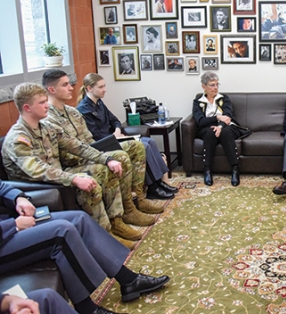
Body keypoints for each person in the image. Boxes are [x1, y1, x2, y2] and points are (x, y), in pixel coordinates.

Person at [1, 83, 142, 249]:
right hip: (38, 187)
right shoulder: (17, 139)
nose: (47, 105)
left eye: (46, 101)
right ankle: (103, 237)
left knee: (105, 169)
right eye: (41, 103)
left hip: (59, 176)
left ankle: (116, 221)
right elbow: (39, 170)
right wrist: (74, 178)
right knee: (89, 183)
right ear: (27, 107)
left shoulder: (47, 127)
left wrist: (107, 159)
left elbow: (78, 147)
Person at [0, 179, 170, 314]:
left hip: (8, 223)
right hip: (5, 235)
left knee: (79, 219)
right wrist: (14, 226)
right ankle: (87, 309)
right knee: (62, 231)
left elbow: (2, 186)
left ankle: (129, 280)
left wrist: (18, 198)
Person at [43, 70, 162, 231]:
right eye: (65, 85)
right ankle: (121, 215)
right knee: (121, 156)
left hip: (91, 151)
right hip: (74, 161)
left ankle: (135, 201)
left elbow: (89, 140)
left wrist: (104, 150)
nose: (71, 88)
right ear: (51, 90)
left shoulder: (72, 112)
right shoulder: (48, 118)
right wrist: (104, 156)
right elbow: (69, 150)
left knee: (137, 146)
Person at [76, 73, 177, 201]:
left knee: (150, 141)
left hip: (114, 138)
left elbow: (115, 120)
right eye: (101, 87)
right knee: (143, 146)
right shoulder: (83, 110)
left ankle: (159, 182)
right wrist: (114, 137)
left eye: (104, 86)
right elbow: (95, 135)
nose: (105, 89)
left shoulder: (99, 103)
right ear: (89, 88)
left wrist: (117, 131)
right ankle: (153, 187)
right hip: (104, 145)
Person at [193, 72, 251, 186]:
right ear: (204, 87)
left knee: (225, 132)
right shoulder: (198, 102)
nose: (215, 88)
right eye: (212, 85)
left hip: (227, 127)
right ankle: (207, 170)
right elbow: (200, 121)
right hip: (207, 129)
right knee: (210, 132)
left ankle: (235, 169)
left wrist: (220, 126)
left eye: (217, 84)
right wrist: (217, 117)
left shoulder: (224, 99)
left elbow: (228, 117)